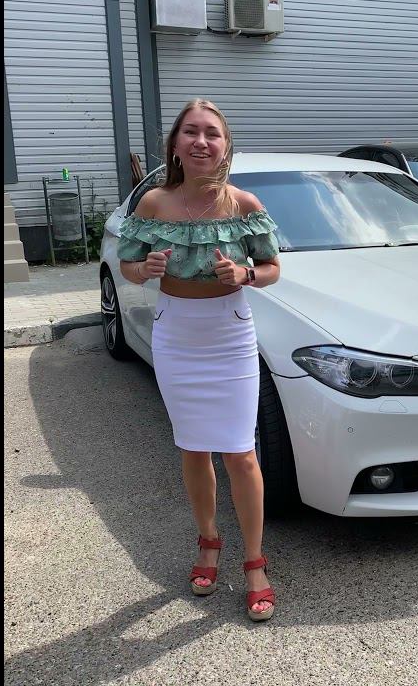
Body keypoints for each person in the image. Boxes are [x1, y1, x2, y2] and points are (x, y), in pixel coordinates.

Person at [116, 99, 281, 622]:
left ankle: (254, 561)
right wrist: (145, 268)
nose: (201, 141)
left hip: (229, 335)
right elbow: (127, 265)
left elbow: (273, 267)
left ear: (225, 145)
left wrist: (246, 275)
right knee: (193, 448)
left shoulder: (244, 204)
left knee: (241, 454)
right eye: (191, 131)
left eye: (212, 133)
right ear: (176, 144)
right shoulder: (154, 204)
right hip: (177, 335)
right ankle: (208, 541)